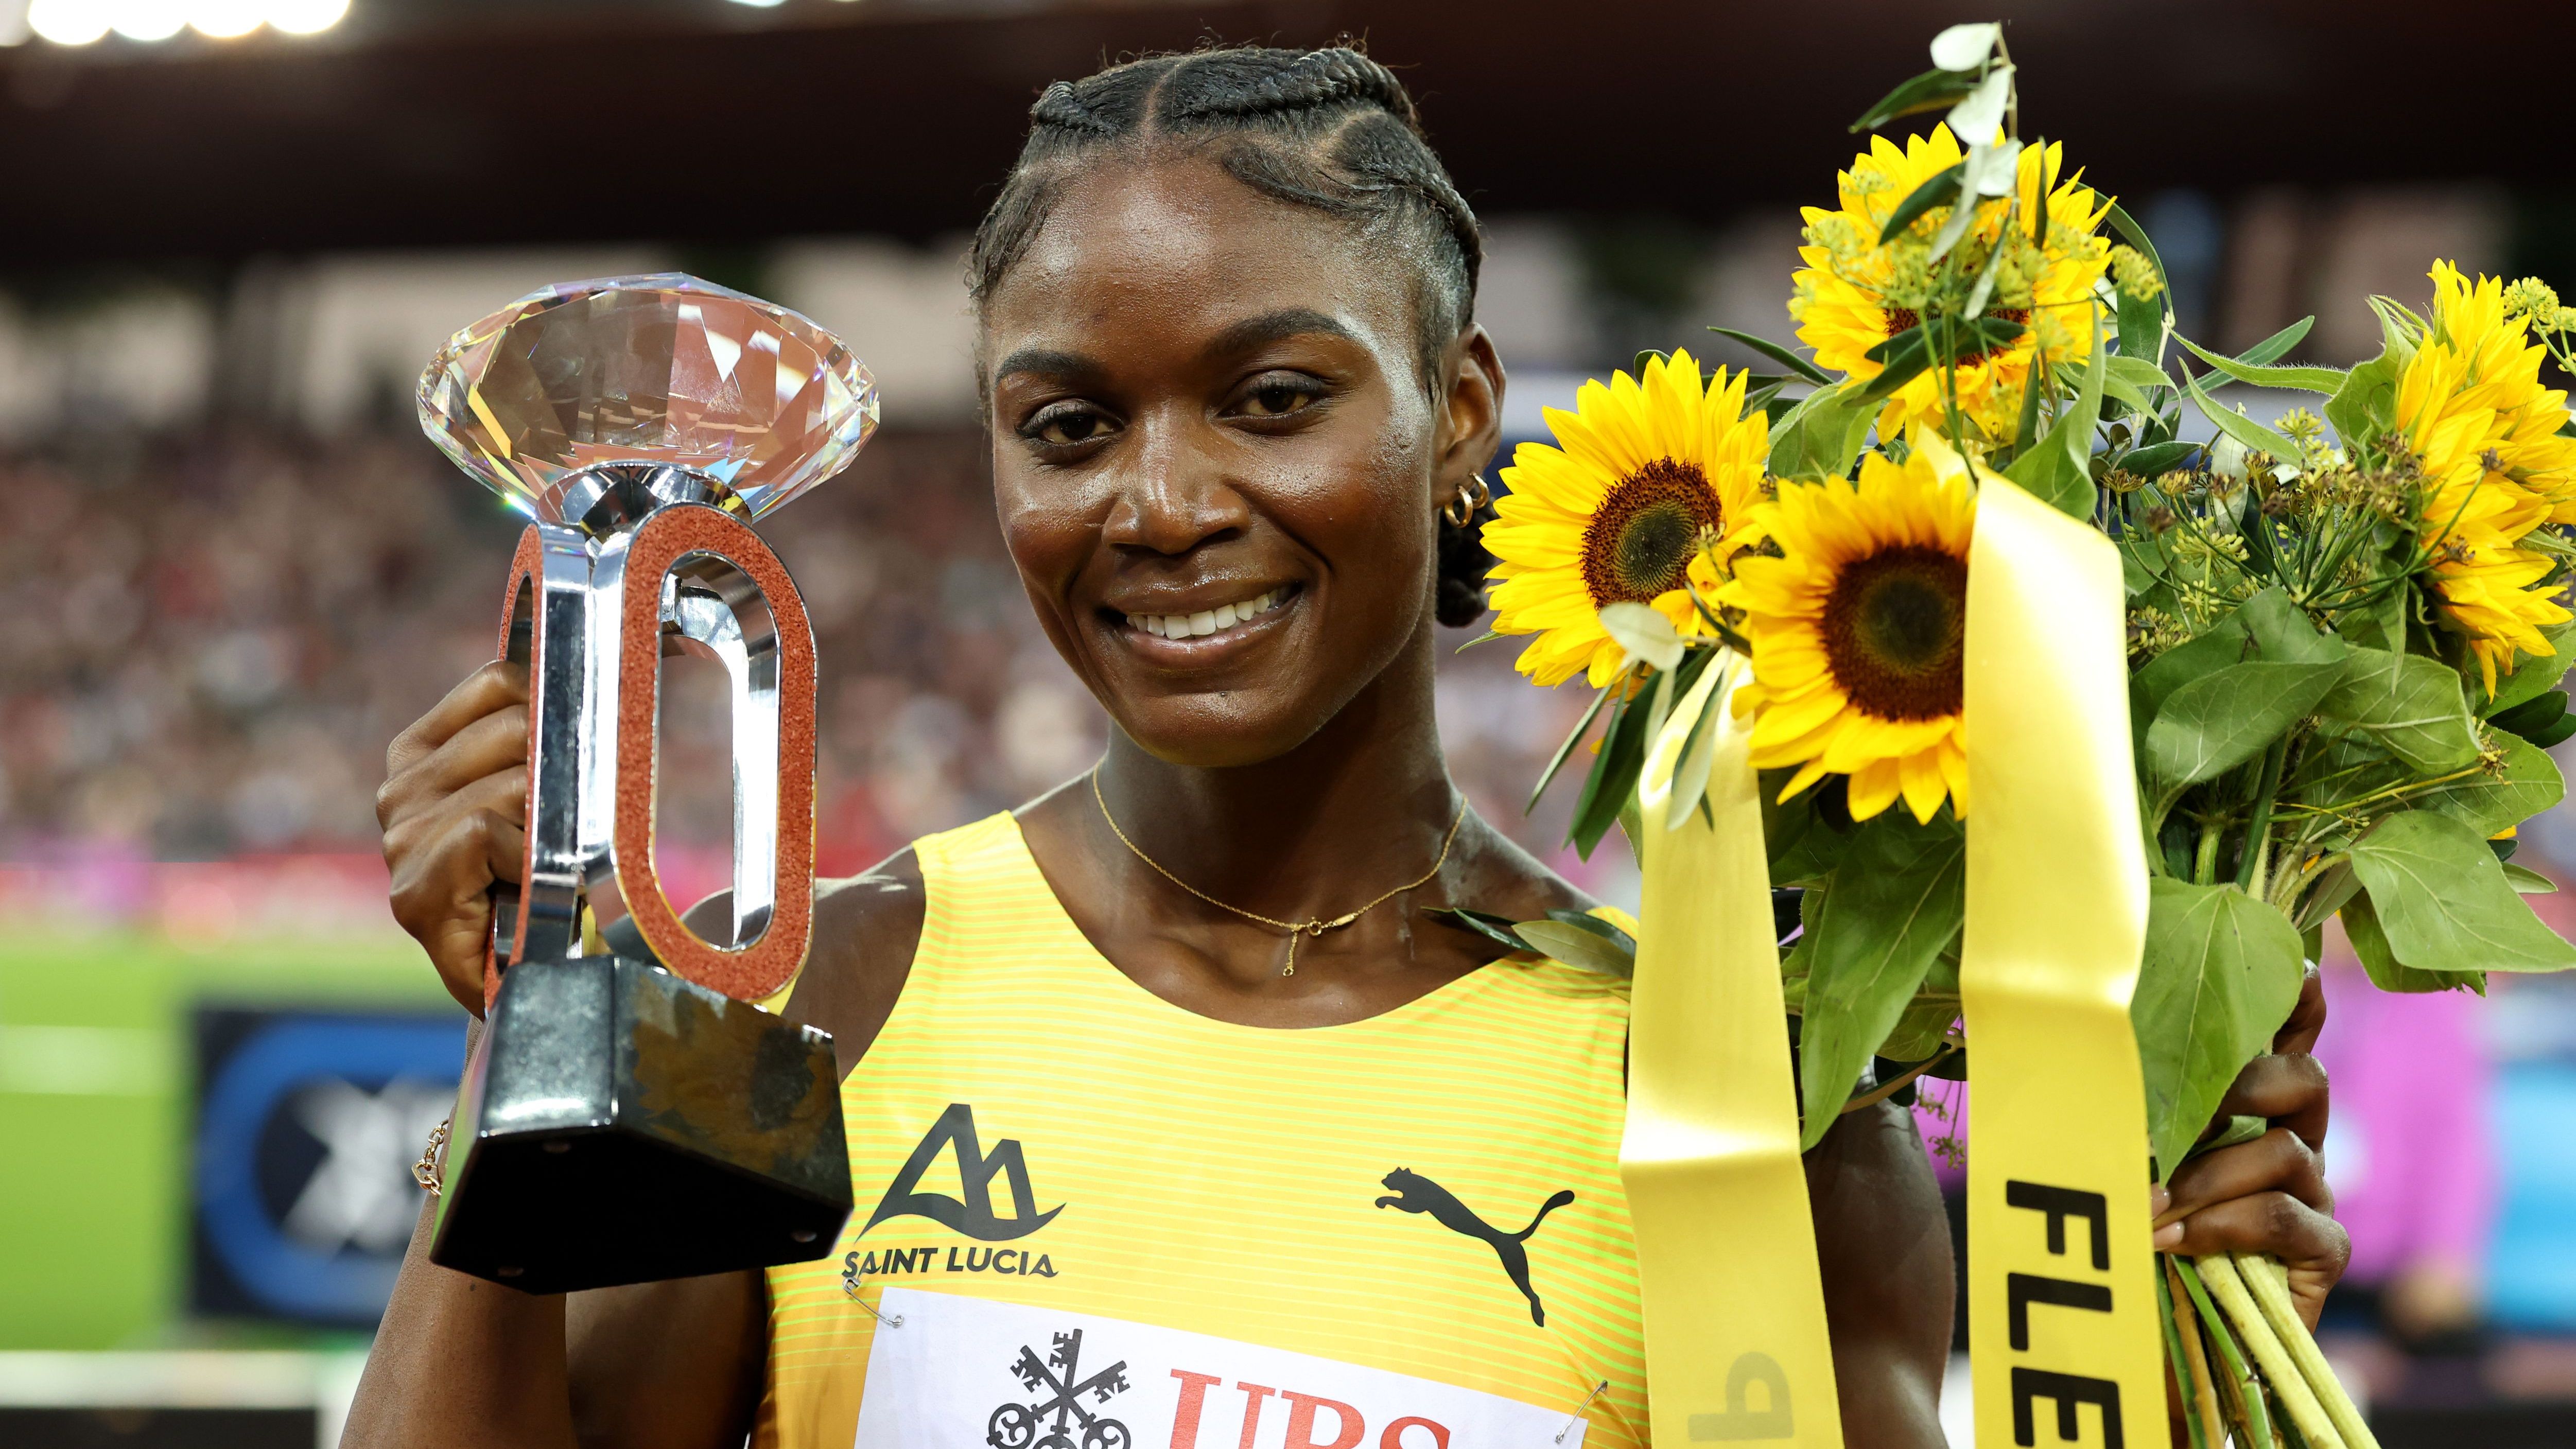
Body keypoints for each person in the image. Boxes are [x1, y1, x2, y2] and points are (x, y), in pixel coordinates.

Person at [347, 44, 2346, 1449]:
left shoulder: (1734, 1101)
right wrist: (530, 1050)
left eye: (1272, 397)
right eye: (1068, 427)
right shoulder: (823, 994)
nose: (1159, 503)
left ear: (1459, 407)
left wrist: (2175, 1354)